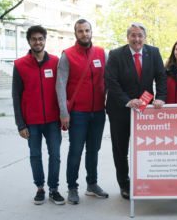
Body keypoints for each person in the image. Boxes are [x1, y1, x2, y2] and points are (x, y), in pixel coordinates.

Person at [105, 22, 167, 199]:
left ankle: (145, 181)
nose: (137, 39)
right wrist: (127, 101)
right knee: (120, 150)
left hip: (145, 110)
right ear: (128, 37)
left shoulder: (153, 52)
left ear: (144, 37)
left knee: (145, 148)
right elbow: (111, 82)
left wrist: (161, 97)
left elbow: (161, 76)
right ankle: (124, 184)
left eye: (140, 35)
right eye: (133, 35)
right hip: (120, 110)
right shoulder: (116, 55)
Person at [56, 19, 108, 205]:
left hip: (98, 112)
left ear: (91, 31)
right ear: (75, 33)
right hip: (77, 113)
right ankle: (72, 187)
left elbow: (108, 80)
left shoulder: (102, 53)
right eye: (80, 31)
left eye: (87, 30)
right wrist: (64, 112)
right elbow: (60, 86)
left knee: (94, 150)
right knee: (76, 151)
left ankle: (92, 184)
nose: (84, 34)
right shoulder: (67, 55)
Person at [12, 25, 65, 205]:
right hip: (31, 121)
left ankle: (54, 188)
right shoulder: (20, 65)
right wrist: (21, 124)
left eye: (40, 39)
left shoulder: (56, 62)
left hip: (52, 120)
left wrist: (64, 115)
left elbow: (62, 90)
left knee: (55, 155)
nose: (38, 42)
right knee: (35, 155)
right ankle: (40, 188)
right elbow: (16, 96)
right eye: (34, 39)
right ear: (29, 41)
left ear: (45, 40)